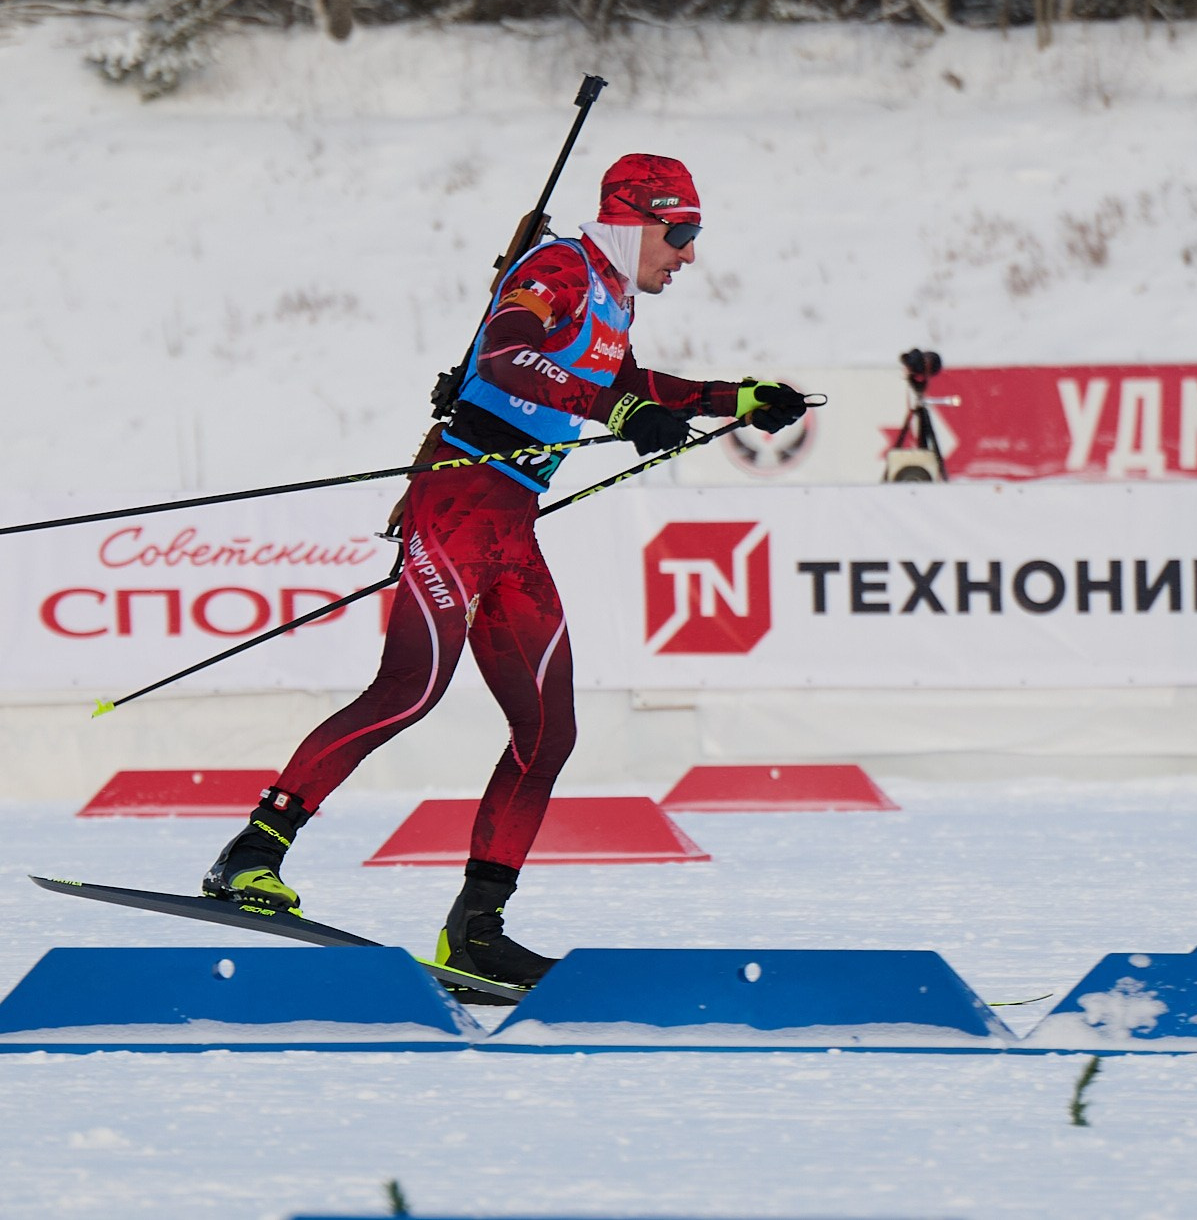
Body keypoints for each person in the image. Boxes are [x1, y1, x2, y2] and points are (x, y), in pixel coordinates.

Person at [200, 154, 808, 988]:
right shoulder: (556, 267)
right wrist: (621, 411)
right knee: (410, 689)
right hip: (455, 501)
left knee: (548, 730)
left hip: (510, 524)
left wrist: (734, 397)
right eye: (683, 232)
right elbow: (507, 358)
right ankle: (250, 854)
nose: (690, 253)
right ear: (637, 220)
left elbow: (618, 379)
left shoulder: (615, 295)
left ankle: (475, 929)